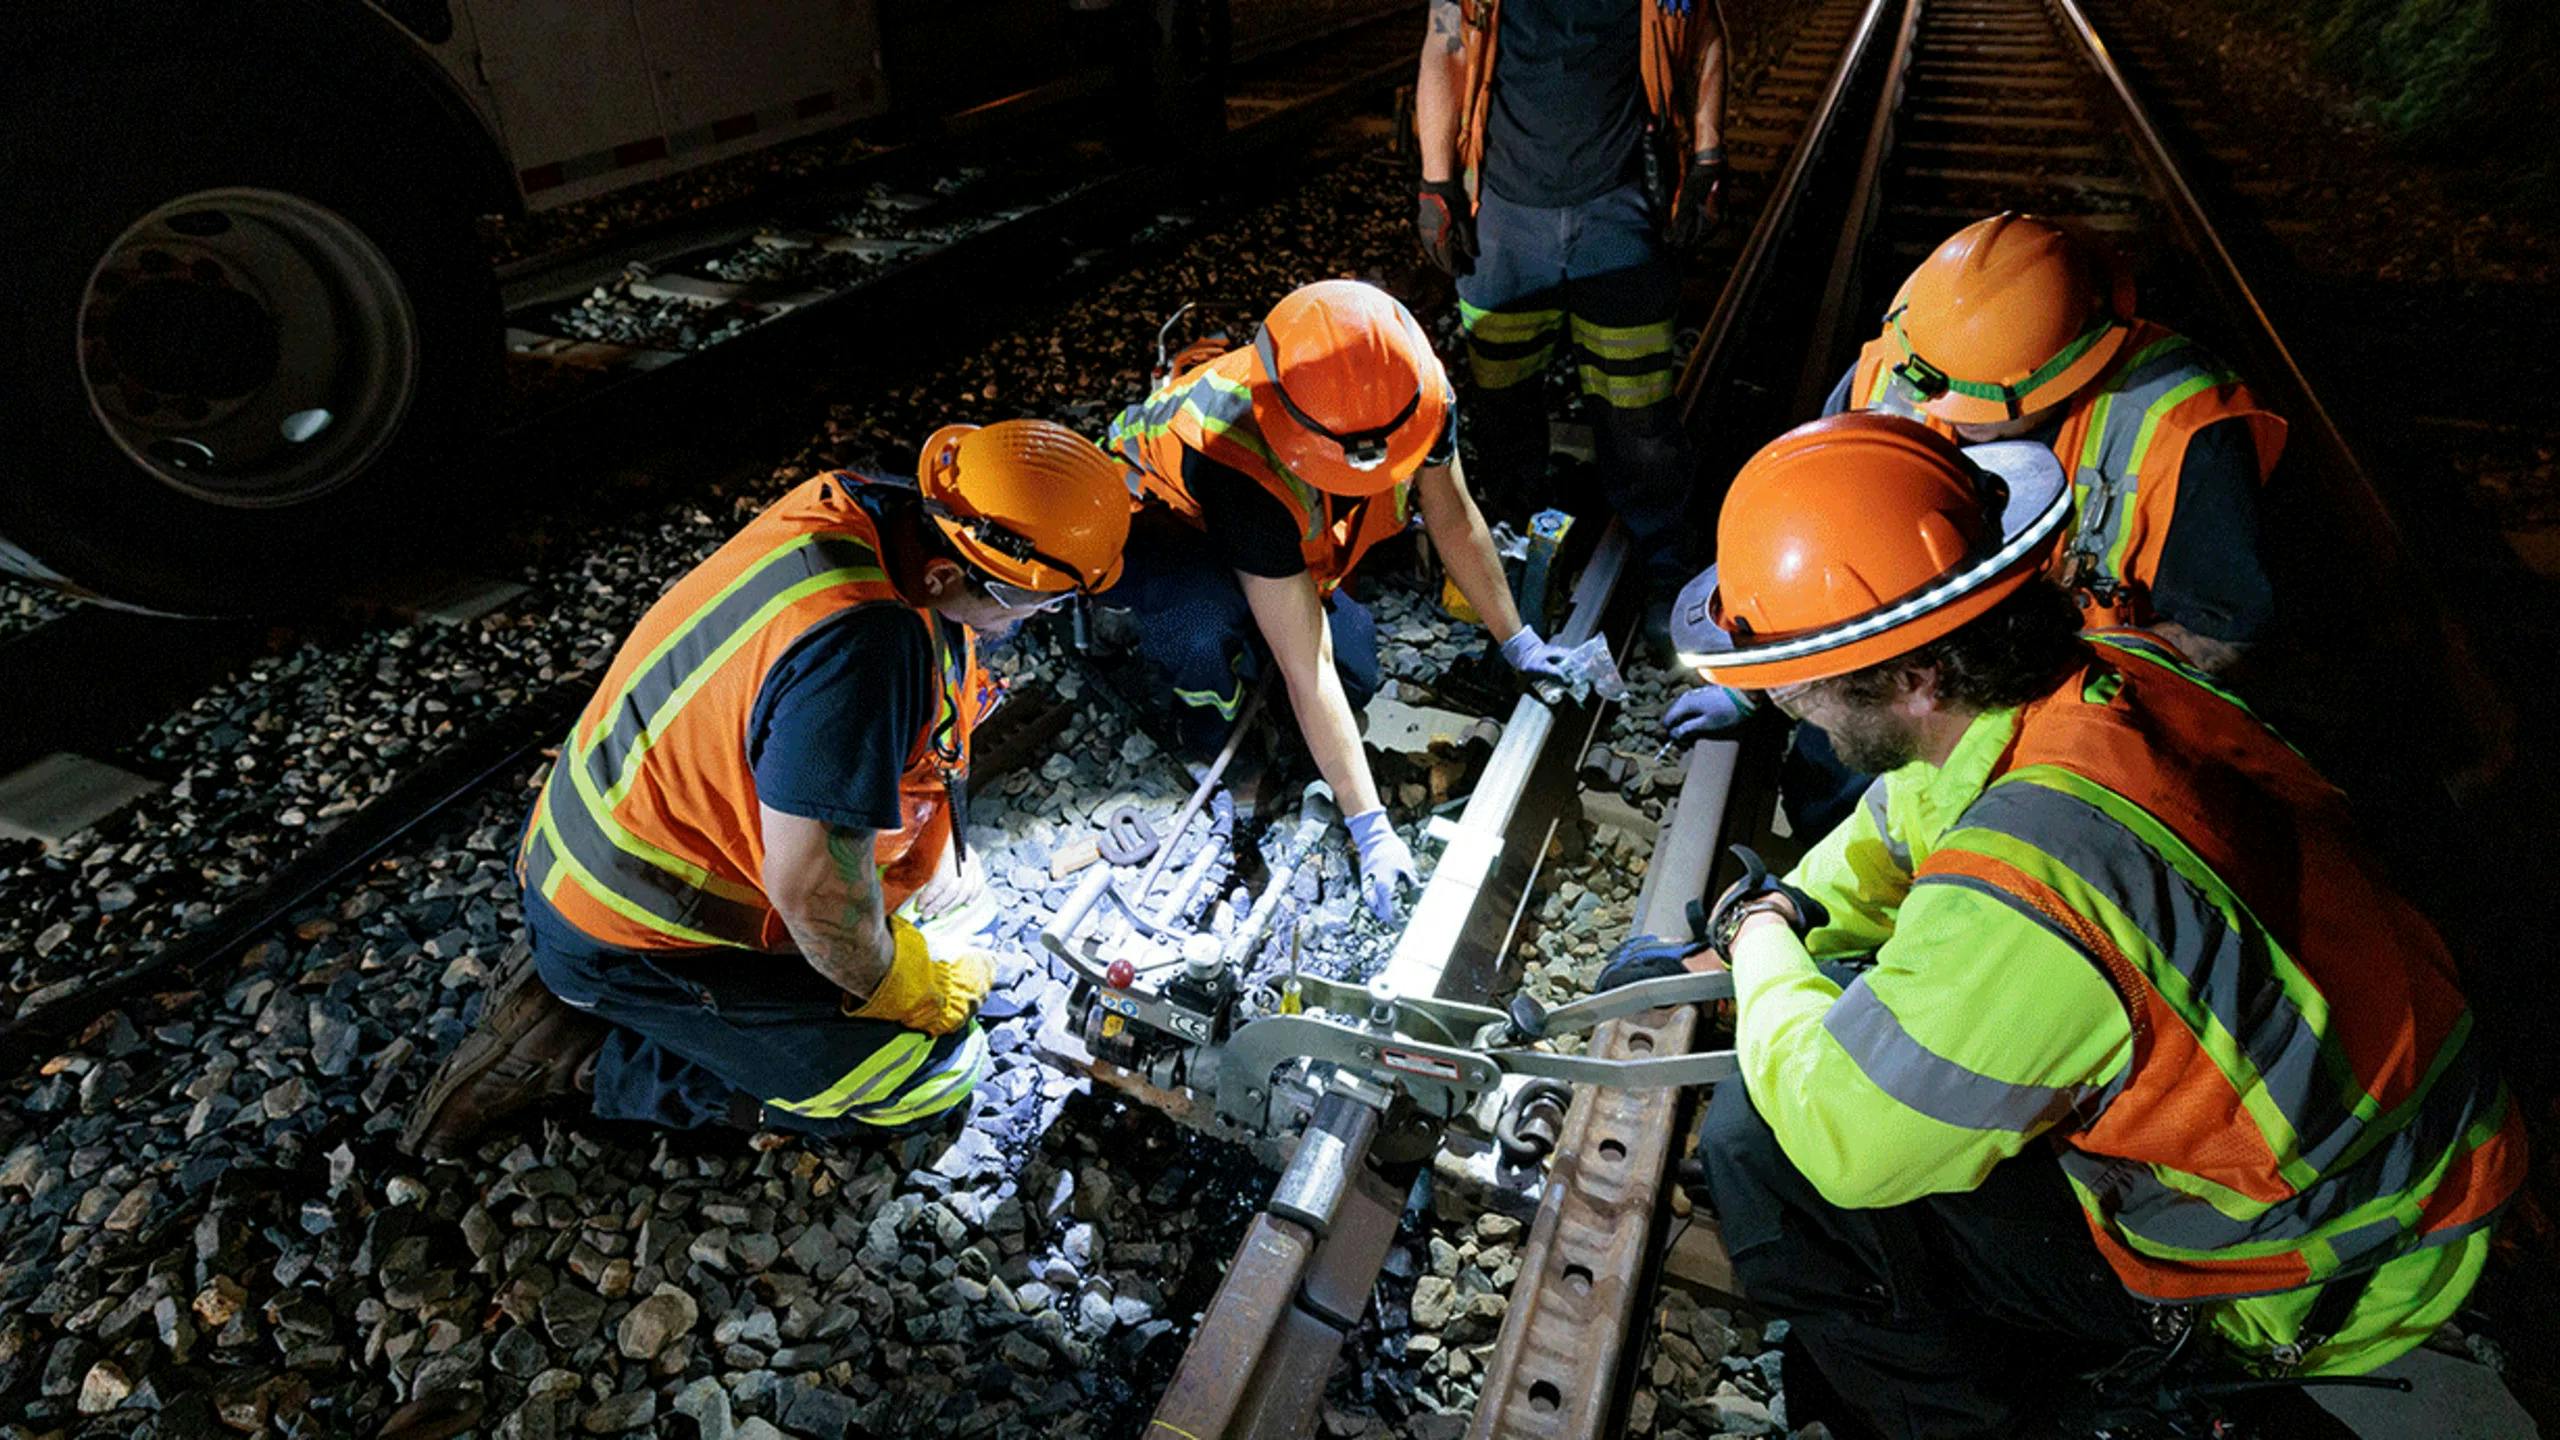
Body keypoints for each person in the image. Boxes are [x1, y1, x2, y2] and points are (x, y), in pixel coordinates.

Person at [1607, 413, 2523, 1437]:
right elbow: (1896, 826)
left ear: (1913, 678)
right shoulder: (2092, 680)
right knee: (1879, 1032)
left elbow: (1844, 1136)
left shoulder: (2042, 882)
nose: (1795, 711)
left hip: (2305, 1268)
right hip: (2393, 1159)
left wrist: (1760, 941)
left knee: (1762, 1152)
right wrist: (1797, 911)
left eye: (1800, 688)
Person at [402, 420, 1134, 1158]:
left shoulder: (864, 510)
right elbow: (816, 899)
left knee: (959, 905)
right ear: (949, 577)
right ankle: (590, 1062)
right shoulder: (863, 649)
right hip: (645, 925)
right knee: (931, 1077)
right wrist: (902, 984)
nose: (1041, 618)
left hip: (620, 847)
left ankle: (625, 996)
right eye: (1036, 603)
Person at [1669, 211, 2291, 832]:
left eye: (1979, 411)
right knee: (1840, 791)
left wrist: (2037, 696)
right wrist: (1753, 682)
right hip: (1894, 694)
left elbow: (2221, 636)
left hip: (2058, 720)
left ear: (2069, 371)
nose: (1950, 421)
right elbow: (1815, 547)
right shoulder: (1898, 373)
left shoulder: (2183, 433)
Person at [1101, 278, 1576, 923]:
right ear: (1300, 438)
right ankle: (1214, 742)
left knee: (1358, 674)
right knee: (1203, 624)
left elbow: (1455, 517)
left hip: (1256, 528)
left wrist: (1520, 642)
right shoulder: (1237, 456)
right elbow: (1306, 665)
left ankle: (1250, 674)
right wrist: (1370, 830)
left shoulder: (1410, 395)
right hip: (1154, 529)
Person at [1412, 0, 1726, 642]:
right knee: (1500, 404)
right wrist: (1436, 184)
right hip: (1503, 216)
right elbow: (1444, 46)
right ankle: (1504, 555)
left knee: (1639, 416)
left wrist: (1707, 157)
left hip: (1619, 213)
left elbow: (1707, 37)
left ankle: (1667, 573)